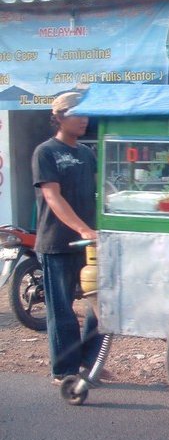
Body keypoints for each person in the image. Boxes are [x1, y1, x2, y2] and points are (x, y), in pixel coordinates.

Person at [32, 91, 101, 386]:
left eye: (86, 113)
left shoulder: (87, 153)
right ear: (59, 117)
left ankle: (88, 361)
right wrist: (82, 228)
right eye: (77, 113)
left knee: (101, 305)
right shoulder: (45, 151)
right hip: (57, 242)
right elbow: (52, 196)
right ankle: (65, 371)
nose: (84, 119)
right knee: (62, 311)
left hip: (90, 243)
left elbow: (99, 191)